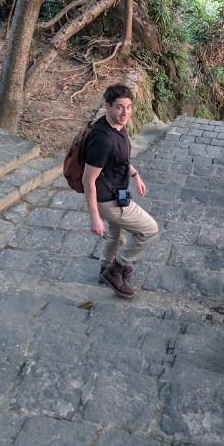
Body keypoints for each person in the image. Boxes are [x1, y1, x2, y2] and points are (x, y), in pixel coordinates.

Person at [82, 83, 158, 299]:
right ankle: (115, 270)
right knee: (149, 229)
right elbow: (88, 180)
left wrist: (135, 175)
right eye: (119, 107)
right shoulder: (102, 139)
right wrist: (95, 218)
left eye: (129, 107)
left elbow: (121, 159)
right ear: (107, 106)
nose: (125, 113)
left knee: (117, 235)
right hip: (107, 199)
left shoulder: (118, 126)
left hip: (118, 191)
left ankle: (104, 270)